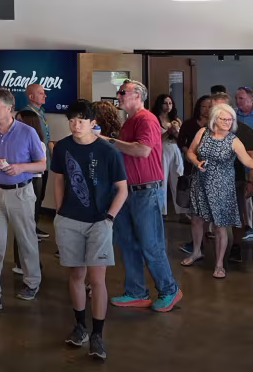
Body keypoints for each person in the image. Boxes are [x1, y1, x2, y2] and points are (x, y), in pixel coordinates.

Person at [51, 100, 128, 361]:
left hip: (99, 222)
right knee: (76, 275)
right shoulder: (62, 147)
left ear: (93, 122)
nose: (76, 125)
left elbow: (122, 189)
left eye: (81, 120)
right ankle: (79, 326)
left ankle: (97, 334)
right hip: (69, 220)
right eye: (72, 120)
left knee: (97, 279)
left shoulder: (108, 151)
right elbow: (58, 179)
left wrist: (109, 218)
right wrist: (60, 212)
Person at [105, 80, 182, 312]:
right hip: (128, 191)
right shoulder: (129, 121)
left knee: (151, 244)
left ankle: (169, 290)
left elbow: (142, 150)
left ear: (137, 95)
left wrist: (107, 141)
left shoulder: (146, 118)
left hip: (146, 191)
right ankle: (136, 292)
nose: (117, 96)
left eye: (122, 92)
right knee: (127, 243)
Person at [0, 87, 45, 312]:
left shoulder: (27, 132)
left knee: (26, 240)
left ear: (9, 108)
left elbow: (42, 164)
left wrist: (21, 167)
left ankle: (32, 282)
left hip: (20, 192)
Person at [181, 102, 253, 278]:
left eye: (230, 119)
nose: (228, 122)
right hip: (200, 183)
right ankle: (197, 251)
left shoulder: (233, 140)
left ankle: (219, 263)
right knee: (196, 220)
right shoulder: (202, 133)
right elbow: (190, 152)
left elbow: (248, 161)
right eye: (224, 119)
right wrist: (196, 162)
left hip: (222, 188)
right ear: (214, 119)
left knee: (220, 226)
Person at [12, 108, 48, 275]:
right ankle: (21, 262)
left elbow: (39, 166)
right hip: (23, 182)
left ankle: (27, 263)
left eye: (20, 120)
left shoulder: (38, 142)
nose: (16, 123)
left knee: (27, 225)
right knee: (21, 224)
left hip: (32, 182)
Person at [177, 95, 212, 254]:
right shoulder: (190, 124)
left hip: (208, 169)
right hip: (190, 166)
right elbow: (181, 141)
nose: (206, 109)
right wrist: (188, 153)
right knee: (194, 206)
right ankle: (198, 242)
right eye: (204, 106)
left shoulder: (214, 125)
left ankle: (204, 237)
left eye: (209, 106)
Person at [24, 83, 54, 239]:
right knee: (33, 198)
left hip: (45, 163)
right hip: (34, 166)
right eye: (41, 93)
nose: (45, 95)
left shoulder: (41, 112)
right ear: (31, 97)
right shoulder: (26, 115)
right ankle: (29, 230)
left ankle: (33, 227)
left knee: (39, 197)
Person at [234, 87, 253, 241]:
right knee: (245, 198)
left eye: (241, 98)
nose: (237, 101)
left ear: (251, 100)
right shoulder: (233, 116)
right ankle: (247, 226)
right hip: (240, 164)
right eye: (236, 98)